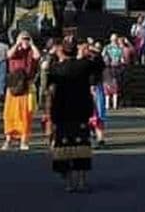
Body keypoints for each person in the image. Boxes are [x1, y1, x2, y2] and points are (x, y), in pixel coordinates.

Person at [46, 35, 102, 193]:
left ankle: (69, 182)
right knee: (81, 146)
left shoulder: (56, 68)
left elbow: (49, 88)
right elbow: (100, 65)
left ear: (62, 50)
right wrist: (92, 51)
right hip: (81, 110)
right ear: (76, 49)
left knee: (64, 147)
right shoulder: (84, 65)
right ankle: (82, 181)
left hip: (62, 110)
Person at [2, 31, 40, 151]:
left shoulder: (31, 52)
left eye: (27, 39)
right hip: (13, 86)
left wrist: (32, 44)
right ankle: (8, 140)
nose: (25, 41)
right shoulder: (15, 51)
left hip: (26, 86)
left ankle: (24, 140)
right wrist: (17, 43)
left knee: (24, 115)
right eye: (23, 39)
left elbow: (38, 56)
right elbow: (8, 55)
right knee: (9, 114)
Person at [102, 34, 125, 111]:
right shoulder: (119, 48)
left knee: (108, 86)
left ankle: (108, 105)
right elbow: (122, 60)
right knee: (114, 86)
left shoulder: (107, 48)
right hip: (114, 68)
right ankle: (113, 105)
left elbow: (102, 56)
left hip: (109, 68)